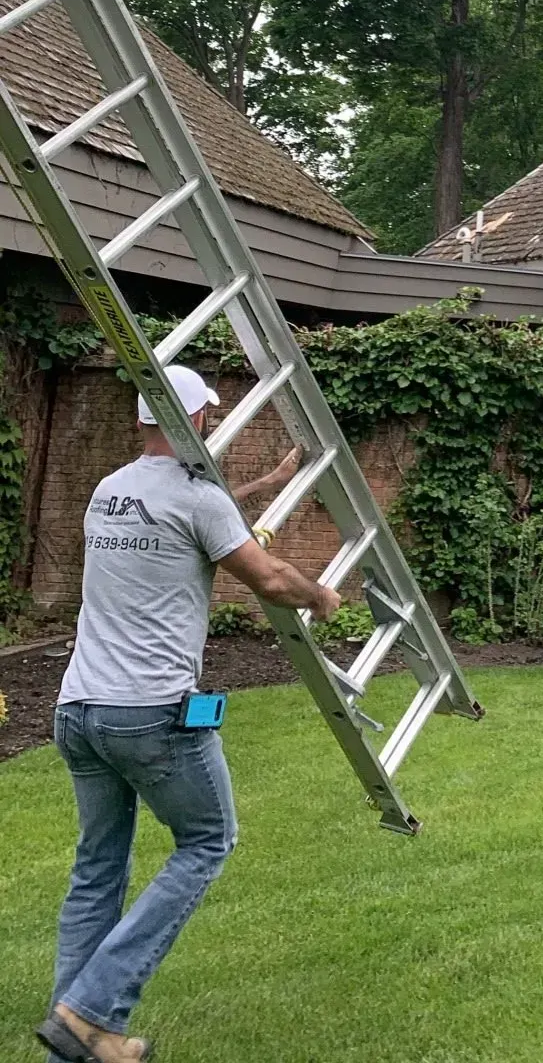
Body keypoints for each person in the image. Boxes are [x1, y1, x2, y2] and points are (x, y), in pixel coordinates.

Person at [37, 364, 342, 1063]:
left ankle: (74, 1038)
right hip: (151, 717)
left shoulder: (110, 492)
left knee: (97, 867)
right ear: (200, 420)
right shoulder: (198, 501)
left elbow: (186, 516)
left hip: (79, 711)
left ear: (144, 421)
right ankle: (89, 1010)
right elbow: (263, 575)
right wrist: (320, 595)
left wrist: (265, 485)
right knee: (208, 840)